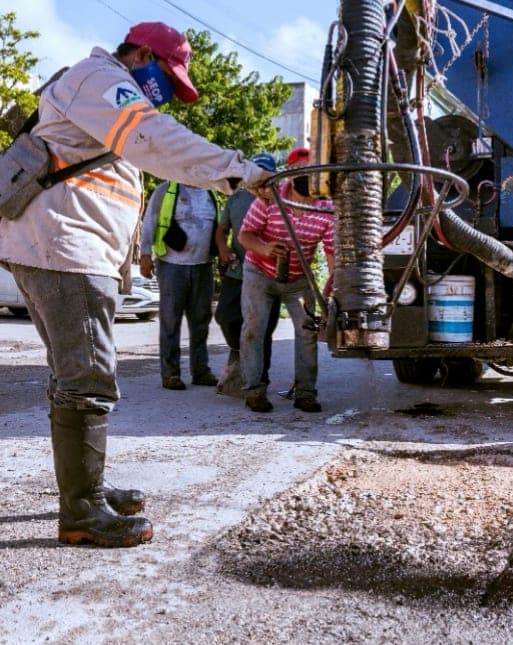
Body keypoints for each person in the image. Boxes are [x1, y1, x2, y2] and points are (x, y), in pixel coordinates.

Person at [0, 22, 273, 547]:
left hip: (61, 246)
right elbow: (154, 139)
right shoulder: (102, 79)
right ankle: (81, 511)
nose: (166, 95)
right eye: (168, 79)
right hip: (65, 247)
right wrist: (236, 170)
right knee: (87, 376)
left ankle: (86, 488)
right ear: (142, 54)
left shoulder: (99, 92)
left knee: (73, 373)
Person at [239, 147, 334, 413]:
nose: (306, 177)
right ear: (290, 175)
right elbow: (245, 235)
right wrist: (266, 248)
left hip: (298, 278)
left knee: (307, 332)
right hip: (259, 272)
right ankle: (254, 391)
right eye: (300, 172)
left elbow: (331, 253)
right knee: (254, 328)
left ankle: (305, 393)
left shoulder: (326, 209)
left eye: (311, 172)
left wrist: (332, 289)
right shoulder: (270, 199)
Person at [139, 181, 220, 390]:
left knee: (201, 321)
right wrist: (145, 253)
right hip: (172, 265)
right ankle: (171, 374)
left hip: (203, 265)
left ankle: (201, 371)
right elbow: (150, 221)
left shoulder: (210, 192)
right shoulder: (166, 190)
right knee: (170, 321)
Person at [213, 153, 280, 398]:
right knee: (225, 316)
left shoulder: (279, 200)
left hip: (268, 271)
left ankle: (259, 379)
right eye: (257, 172)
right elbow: (222, 229)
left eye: (265, 173)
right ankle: (239, 352)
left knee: (263, 327)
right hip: (238, 268)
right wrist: (223, 248)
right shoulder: (237, 198)